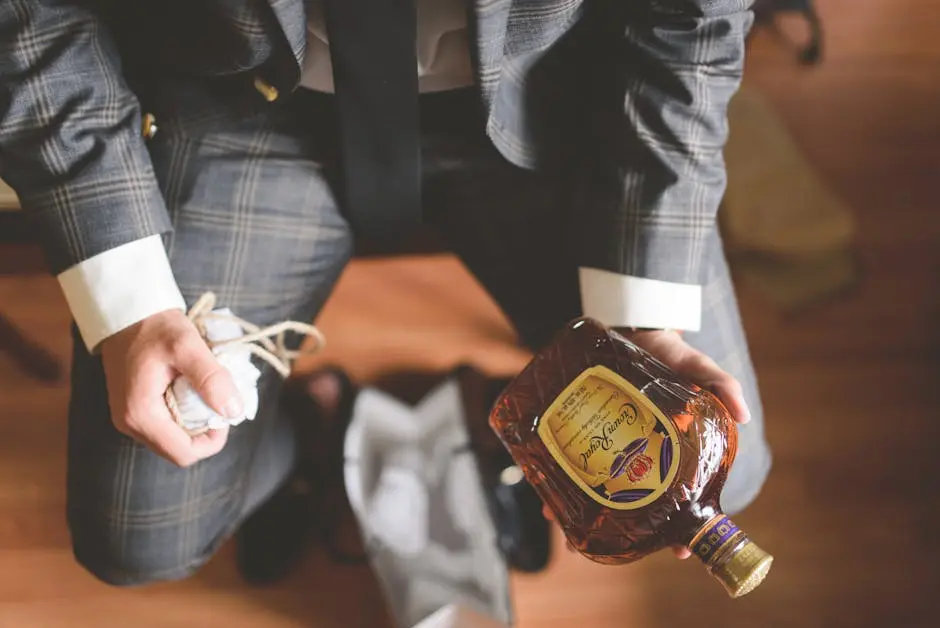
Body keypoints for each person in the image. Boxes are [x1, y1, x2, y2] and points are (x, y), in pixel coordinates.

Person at [0, 0, 772, 587]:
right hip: (246, 99)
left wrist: (644, 330)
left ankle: (505, 426)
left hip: (546, 104)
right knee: (138, 538)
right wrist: (129, 303)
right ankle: (314, 424)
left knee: (729, 466)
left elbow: (691, 25)